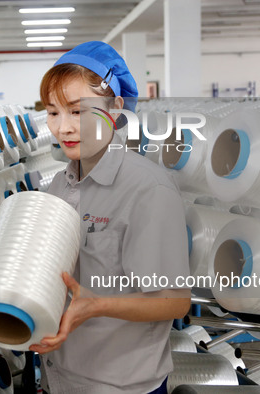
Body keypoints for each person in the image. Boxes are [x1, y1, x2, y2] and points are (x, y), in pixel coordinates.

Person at [29, 41, 191, 394]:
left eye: (77, 111)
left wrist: (97, 304)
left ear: (115, 109)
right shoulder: (60, 183)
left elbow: (175, 301)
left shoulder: (148, 190)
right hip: (60, 377)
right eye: (53, 112)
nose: (63, 128)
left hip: (120, 384)